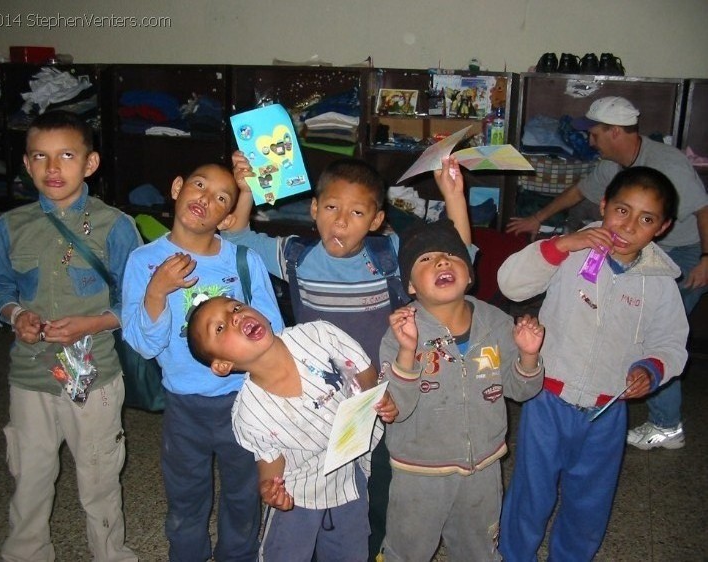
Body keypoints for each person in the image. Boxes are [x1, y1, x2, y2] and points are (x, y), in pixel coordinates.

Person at [226, 152, 475, 559]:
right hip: (320, 403)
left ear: (376, 220)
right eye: (331, 207)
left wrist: (454, 196)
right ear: (313, 209)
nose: (341, 221)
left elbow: (459, 257)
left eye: (357, 212)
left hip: (383, 392)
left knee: (382, 482)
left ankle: (372, 547)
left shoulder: (389, 253)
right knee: (327, 483)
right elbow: (235, 236)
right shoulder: (296, 256)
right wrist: (247, 189)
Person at [497, 167, 690, 560]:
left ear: (663, 228)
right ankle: (514, 554)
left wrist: (652, 368)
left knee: (590, 500)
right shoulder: (573, 251)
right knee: (531, 489)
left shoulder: (660, 283)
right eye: (622, 210)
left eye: (647, 219)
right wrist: (563, 244)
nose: (629, 225)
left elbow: (671, 342)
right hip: (548, 397)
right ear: (603, 205)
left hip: (606, 410)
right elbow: (511, 284)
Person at [0, 110, 140, 561]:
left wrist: (94, 322)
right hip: (30, 376)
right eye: (40, 157)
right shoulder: (11, 226)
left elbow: (141, 302)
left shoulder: (116, 226)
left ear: (90, 164)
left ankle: (110, 553)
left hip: (96, 376)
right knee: (29, 473)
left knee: (99, 474)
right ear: (27, 165)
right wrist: (15, 315)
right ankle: (26, 552)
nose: (53, 169)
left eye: (67, 155)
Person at [506, 96, 708, 449]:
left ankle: (667, 423)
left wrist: (707, 257)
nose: (589, 139)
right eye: (621, 211)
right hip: (633, 254)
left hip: (685, 250)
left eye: (594, 132)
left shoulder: (668, 164)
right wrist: (539, 220)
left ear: (615, 131)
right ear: (607, 208)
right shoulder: (611, 167)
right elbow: (578, 192)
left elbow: (705, 210)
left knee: (651, 334)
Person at [121, 163, 284, 562]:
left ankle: (238, 554)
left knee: (244, 495)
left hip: (245, 403)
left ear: (228, 217)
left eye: (221, 198)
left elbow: (272, 334)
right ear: (177, 187)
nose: (205, 199)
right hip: (184, 406)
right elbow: (142, 344)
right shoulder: (143, 261)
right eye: (198, 185)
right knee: (185, 497)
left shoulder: (243, 261)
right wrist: (157, 292)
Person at [378, 219, 545, 561]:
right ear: (410, 285)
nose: (441, 261)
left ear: (469, 274)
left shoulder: (496, 322)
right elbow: (399, 408)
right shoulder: (400, 331)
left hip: (481, 468)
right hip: (419, 472)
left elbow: (520, 390)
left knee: (479, 550)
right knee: (406, 551)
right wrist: (407, 351)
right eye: (425, 260)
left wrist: (529, 355)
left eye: (451, 255)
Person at [186, 295, 398, 561]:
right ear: (223, 365)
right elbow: (271, 459)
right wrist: (269, 487)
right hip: (298, 492)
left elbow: (362, 370)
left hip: (347, 476)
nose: (235, 316)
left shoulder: (319, 336)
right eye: (219, 328)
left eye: (236, 307)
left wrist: (377, 399)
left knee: (350, 551)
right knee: (285, 553)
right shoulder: (250, 413)